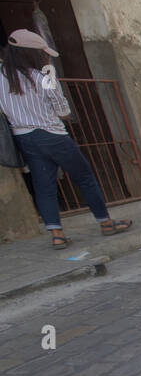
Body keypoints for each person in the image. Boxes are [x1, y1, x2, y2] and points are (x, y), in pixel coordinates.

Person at [0, 29, 132, 249]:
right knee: (85, 177)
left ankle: (57, 235)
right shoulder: (42, 78)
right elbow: (62, 111)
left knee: (44, 186)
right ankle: (106, 223)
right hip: (52, 136)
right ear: (30, 54)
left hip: (24, 138)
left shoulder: (2, 77)